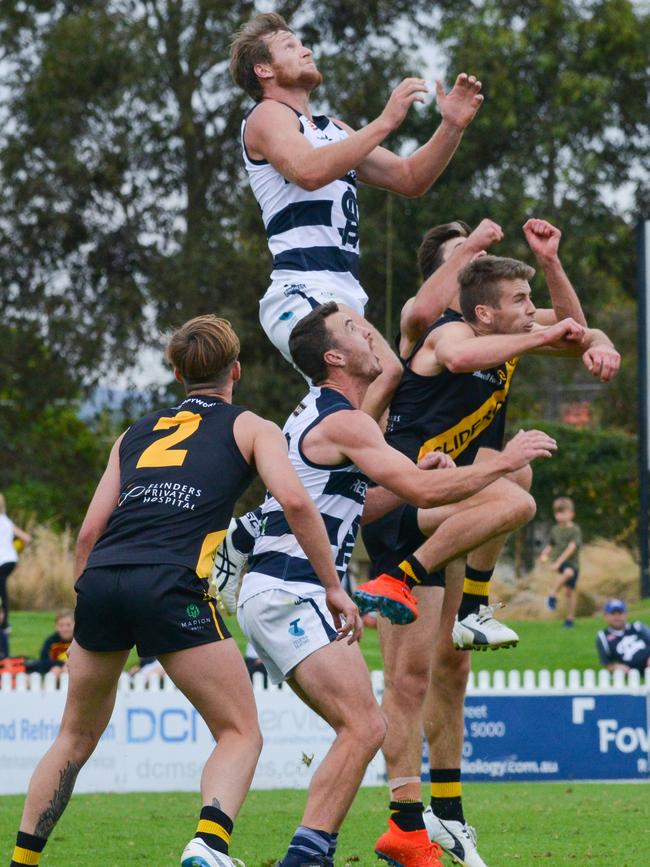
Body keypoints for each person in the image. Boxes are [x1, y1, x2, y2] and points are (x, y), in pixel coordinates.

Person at [9, 314, 355, 867]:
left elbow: (89, 533)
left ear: (176, 373)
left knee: (73, 739)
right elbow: (294, 502)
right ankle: (209, 844)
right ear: (235, 371)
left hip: (102, 577)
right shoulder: (252, 427)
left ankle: (22, 861)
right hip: (170, 581)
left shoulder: (133, 434)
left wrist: (88, 598)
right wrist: (334, 587)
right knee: (239, 730)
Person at [236, 302, 557, 867]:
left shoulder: (319, 413)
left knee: (364, 726)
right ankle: (302, 856)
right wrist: (503, 460)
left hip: (285, 589)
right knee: (363, 726)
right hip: (290, 587)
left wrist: (420, 478)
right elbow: (425, 495)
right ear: (335, 356)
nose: (369, 336)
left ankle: (334, 849)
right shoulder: (347, 420)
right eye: (357, 331)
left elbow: (359, 505)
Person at [354, 224, 620, 866]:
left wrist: (578, 313)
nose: (474, 269)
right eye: (464, 262)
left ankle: (448, 815)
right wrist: (543, 331)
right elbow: (463, 347)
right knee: (410, 678)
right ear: (458, 287)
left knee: (453, 670)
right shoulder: (434, 324)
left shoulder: (499, 324)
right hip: (411, 505)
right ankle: (406, 822)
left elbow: (578, 328)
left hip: (457, 504)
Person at [229, 11, 484, 419]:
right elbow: (309, 172)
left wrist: (451, 126)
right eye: (290, 46)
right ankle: (305, 465)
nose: (306, 49)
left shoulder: (334, 130)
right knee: (383, 376)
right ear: (264, 69)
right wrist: (385, 122)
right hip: (301, 288)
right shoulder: (267, 115)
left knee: (376, 417)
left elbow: (410, 177)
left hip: (343, 292)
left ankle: (327, 476)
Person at [541, 496, 583, 627]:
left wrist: (559, 562)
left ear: (571, 514)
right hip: (560, 563)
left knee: (570, 592)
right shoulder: (555, 529)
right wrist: (544, 553)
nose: (559, 516)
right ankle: (552, 594)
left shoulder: (575, 530)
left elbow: (572, 547)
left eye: (563, 512)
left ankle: (570, 619)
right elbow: (551, 544)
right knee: (568, 573)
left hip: (572, 563)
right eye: (557, 513)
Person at [0, 493, 32, 658]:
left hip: (2, 561)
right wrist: (15, 548)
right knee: (2, 590)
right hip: (11, 560)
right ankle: (4, 623)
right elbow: (26, 538)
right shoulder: (6, 521)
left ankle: (4, 624)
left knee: (2, 592)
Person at [596, 599, 650, 674]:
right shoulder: (603, 637)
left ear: (626, 614)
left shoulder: (637, 627)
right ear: (606, 616)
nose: (617, 617)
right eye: (613, 614)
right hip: (629, 671)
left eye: (620, 613)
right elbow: (607, 663)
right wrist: (616, 667)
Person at [26, 611, 74, 676]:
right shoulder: (51, 641)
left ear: (75, 625)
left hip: (73, 671)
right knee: (56, 669)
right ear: (55, 626)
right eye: (61, 625)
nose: (64, 629)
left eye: (68, 625)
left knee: (66, 669)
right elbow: (43, 661)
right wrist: (61, 664)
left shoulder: (78, 642)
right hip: (54, 670)